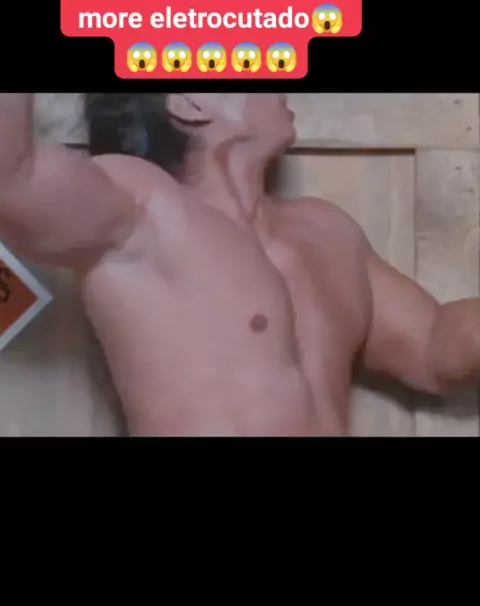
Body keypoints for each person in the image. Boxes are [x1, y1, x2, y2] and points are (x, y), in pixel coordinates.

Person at [0, 92, 479, 436]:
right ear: (191, 101)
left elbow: (434, 347)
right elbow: (12, 180)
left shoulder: (327, 233)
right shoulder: (142, 211)